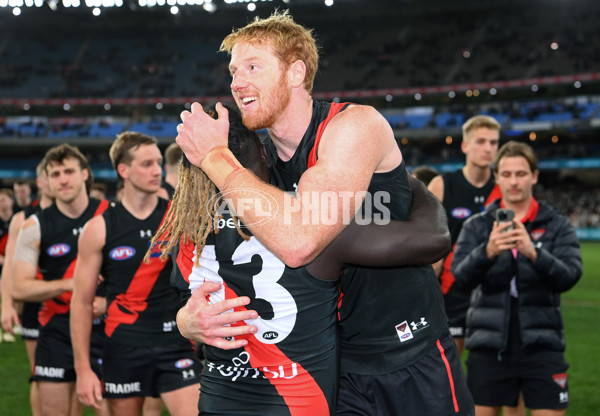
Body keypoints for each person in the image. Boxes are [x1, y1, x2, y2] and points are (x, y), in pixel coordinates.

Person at [175, 11, 472, 415]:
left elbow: (300, 242)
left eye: (252, 67)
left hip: (407, 351)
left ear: (296, 73)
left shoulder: (351, 127)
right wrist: (186, 321)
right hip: (333, 366)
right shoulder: (260, 172)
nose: (236, 82)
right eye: (233, 71)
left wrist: (213, 156)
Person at [153, 102, 450, 414]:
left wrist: (184, 321)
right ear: (265, 156)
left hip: (220, 398)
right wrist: (409, 183)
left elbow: (190, 310)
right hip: (298, 400)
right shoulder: (310, 225)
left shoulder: (186, 234)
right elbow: (434, 238)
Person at [70, 132, 201, 416]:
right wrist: (83, 369)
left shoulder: (180, 218)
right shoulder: (99, 228)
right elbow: (81, 302)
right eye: (146, 164)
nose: (157, 170)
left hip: (176, 344)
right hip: (123, 345)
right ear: (123, 170)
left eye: (158, 162)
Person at [451, 141, 582, 416]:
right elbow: (460, 276)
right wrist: (487, 251)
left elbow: (569, 276)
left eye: (521, 174)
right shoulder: (478, 225)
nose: (514, 181)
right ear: (497, 177)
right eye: (507, 174)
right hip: (488, 348)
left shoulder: (556, 223)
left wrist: (534, 253)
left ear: (534, 176)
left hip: (542, 347)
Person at [11, 144, 109, 416]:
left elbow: (132, 275)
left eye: (69, 171)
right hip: (56, 330)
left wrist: (108, 300)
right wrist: (72, 284)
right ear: (47, 182)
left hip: (107, 328)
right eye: (55, 174)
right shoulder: (35, 225)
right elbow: (19, 287)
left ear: (85, 174)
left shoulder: (110, 215)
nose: (63, 179)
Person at [428, 115, 501, 356]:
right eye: (480, 141)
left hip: (492, 290)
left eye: (493, 142)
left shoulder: (503, 188)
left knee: (498, 372)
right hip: (453, 289)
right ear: (465, 146)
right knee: (450, 367)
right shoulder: (442, 185)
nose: (488, 148)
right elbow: (429, 246)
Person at [1, 159, 55, 416]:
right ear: (41, 181)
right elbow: (9, 266)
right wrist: (7, 305)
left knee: (74, 375)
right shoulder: (23, 219)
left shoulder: (83, 215)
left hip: (71, 303)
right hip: (35, 303)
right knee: (39, 371)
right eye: (52, 175)